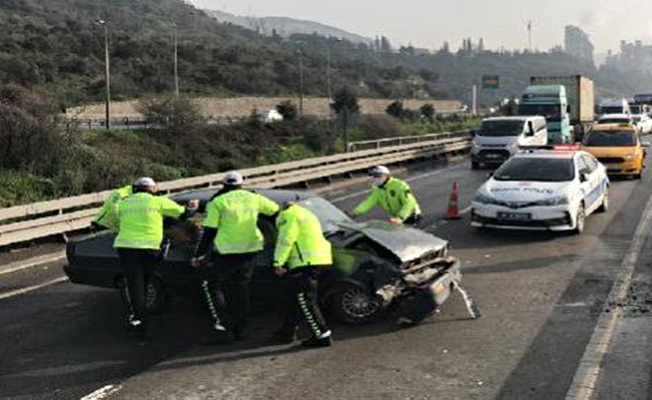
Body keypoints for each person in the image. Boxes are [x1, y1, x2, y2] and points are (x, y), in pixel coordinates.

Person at [191, 171, 279, 343]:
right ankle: (241, 330)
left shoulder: (218, 202)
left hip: (226, 252)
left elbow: (209, 231)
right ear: (242, 183)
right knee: (241, 288)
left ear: (223, 184)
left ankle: (222, 327)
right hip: (250, 250)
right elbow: (275, 212)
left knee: (211, 286)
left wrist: (198, 254)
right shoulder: (254, 198)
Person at [114, 177, 198, 340]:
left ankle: (140, 323)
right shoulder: (158, 202)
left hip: (126, 248)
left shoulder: (124, 203)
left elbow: (117, 219)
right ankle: (143, 322)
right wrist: (193, 208)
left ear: (135, 189)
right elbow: (183, 214)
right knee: (146, 282)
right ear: (152, 189)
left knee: (135, 286)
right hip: (149, 249)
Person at [273, 200, 333, 348]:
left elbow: (286, 240)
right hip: (320, 259)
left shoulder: (288, 215)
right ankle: (287, 331)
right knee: (294, 297)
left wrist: (278, 262)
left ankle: (322, 335)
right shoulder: (306, 213)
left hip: (305, 262)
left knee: (305, 300)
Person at [352, 165, 422, 226]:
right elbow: (369, 202)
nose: (376, 179)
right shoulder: (377, 189)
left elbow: (409, 203)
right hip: (396, 217)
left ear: (387, 175)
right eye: (374, 176)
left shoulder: (399, 185)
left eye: (379, 176)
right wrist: (355, 212)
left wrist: (400, 217)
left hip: (411, 215)